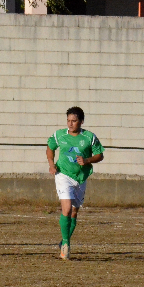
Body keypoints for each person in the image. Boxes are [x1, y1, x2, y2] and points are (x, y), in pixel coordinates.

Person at [46, 106, 104, 260]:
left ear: (81, 121)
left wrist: (87, 160)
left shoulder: (89, 137)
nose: (70, 124)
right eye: (68, 121)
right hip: (63, 174)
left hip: (80, 177)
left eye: (74, 121)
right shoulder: (59, 135)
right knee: (66, 208)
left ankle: (65, 240)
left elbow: (100, 155)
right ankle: (65, 245)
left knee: (74, 212)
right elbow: (50, 148)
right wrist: (51, 164)